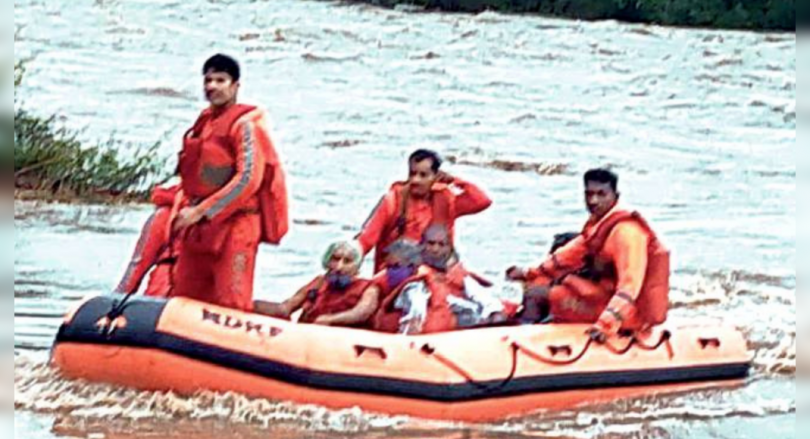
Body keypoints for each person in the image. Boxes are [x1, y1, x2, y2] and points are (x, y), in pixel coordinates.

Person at [169, 53, 289, 312]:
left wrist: (201, 212)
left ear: (235, 86)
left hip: (236, 225)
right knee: (183, 298)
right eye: (208, 80)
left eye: (220, 80)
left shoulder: (245, 126)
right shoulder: (203, 123)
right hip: (199, 227)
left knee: (231, 302)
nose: (212, 86)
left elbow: (248, 180)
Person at [505, 168, 670, 340]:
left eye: (601, 194)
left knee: (536, 295)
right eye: (589, 194)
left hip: (628, 314)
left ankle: (519, 340)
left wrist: (606, 325)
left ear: (615, 195)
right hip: (601, 297)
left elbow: (629, 286)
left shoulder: (626, 233)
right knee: (538, 284)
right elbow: (565, 257)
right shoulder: (599, 226)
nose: (593, 200)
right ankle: (531, 327)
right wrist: (526, 273)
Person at [356, 149, 492, 273]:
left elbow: (482, 201)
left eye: (423, 175)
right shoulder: (392, 200)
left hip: (436, 274)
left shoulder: (447, 201)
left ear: (437, 176)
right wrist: (349, 262)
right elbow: (366, 239)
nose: (415, 180)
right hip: (397, 274)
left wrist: (455, 180)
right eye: (412, 174)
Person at [373, 225, 507, 334]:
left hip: (451, 326)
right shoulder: (408, 272)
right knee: (414, 292)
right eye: (431, 244)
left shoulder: (459, 275)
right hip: (414, 326)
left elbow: (481, 296)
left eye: (441, 244)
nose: (435, 249)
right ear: (422, 245)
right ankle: (412, 324)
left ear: (449, 248)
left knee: (475, 311)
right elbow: (375, 288)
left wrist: (495, 312)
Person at [254, 241, 372, 327]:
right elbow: (286, 308)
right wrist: (252, 305)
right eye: (335, 259)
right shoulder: (319, 282)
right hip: (307, 334)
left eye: (347, 261)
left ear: (357, 266)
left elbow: (361, 312)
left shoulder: (367, 288)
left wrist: (331, 319)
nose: (339, 266)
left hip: (340, 340)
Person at [114, 185, 182, 298]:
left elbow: (138, 264)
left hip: (194, 298)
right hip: (165, 294)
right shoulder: (164, 216)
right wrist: (115, 300)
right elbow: (139, 263)